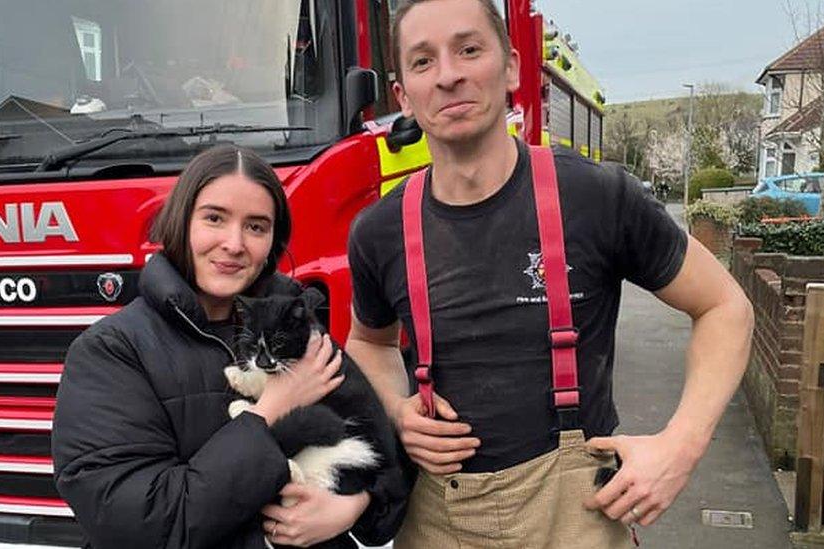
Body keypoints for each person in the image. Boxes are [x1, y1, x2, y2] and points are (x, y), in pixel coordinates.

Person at [344, 0, 754, 547]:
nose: (448, 76)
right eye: (422, 62)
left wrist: (680, 446)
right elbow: (367, 343)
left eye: (469, 49)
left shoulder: (597, 197)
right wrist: (396, 411)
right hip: (438, 522)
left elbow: (726, 307)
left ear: (512, 66)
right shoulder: (378, 231)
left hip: (579, 517)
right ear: (403, 97)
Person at [52, 144, 404, 548]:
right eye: (215, 218)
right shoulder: (112, 352)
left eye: (256, 227)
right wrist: (271, 408)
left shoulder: (299, 333)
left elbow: (383, 469)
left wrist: (353, 505)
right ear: (180, 222)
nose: (234, 244)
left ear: (274, 239)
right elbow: (141, 525)